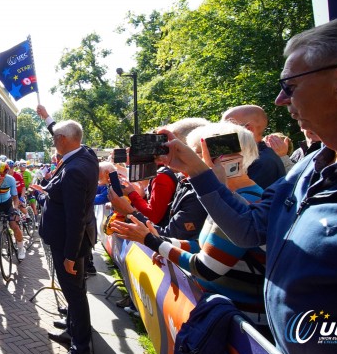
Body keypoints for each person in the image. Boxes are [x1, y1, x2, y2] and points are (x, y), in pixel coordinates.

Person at [148, 12, 337, 354]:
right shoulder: (306, 168)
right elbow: (250, 230)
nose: (280, 100)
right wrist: (197, 171)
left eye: (290, 85)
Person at [112, 123, 268, 329]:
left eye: (193, 154)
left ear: (223, 158)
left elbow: (204, 267)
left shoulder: (243, 201)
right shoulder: (225, 197)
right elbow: (202, 246)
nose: (184, 163)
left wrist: (152, 241)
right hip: (222, 316)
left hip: (240, 327)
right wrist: (163, 243)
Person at [30, 117, 99, 354]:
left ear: (63, 140)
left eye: (54, 138)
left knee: (75, 294)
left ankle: (80, 351)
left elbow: (75, 217)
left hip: (68, 243)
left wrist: (70, 255)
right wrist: (49, 190)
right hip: (70, 240)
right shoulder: (85, 154)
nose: (53, 142)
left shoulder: (75, 171)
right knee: (75, 292)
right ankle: (72, 329)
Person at [221, 104, 285, 188]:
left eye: (225, 129)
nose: (221, 133)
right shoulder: (252, 156)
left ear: (248, 130)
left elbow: (241, 197)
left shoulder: (261, 162)